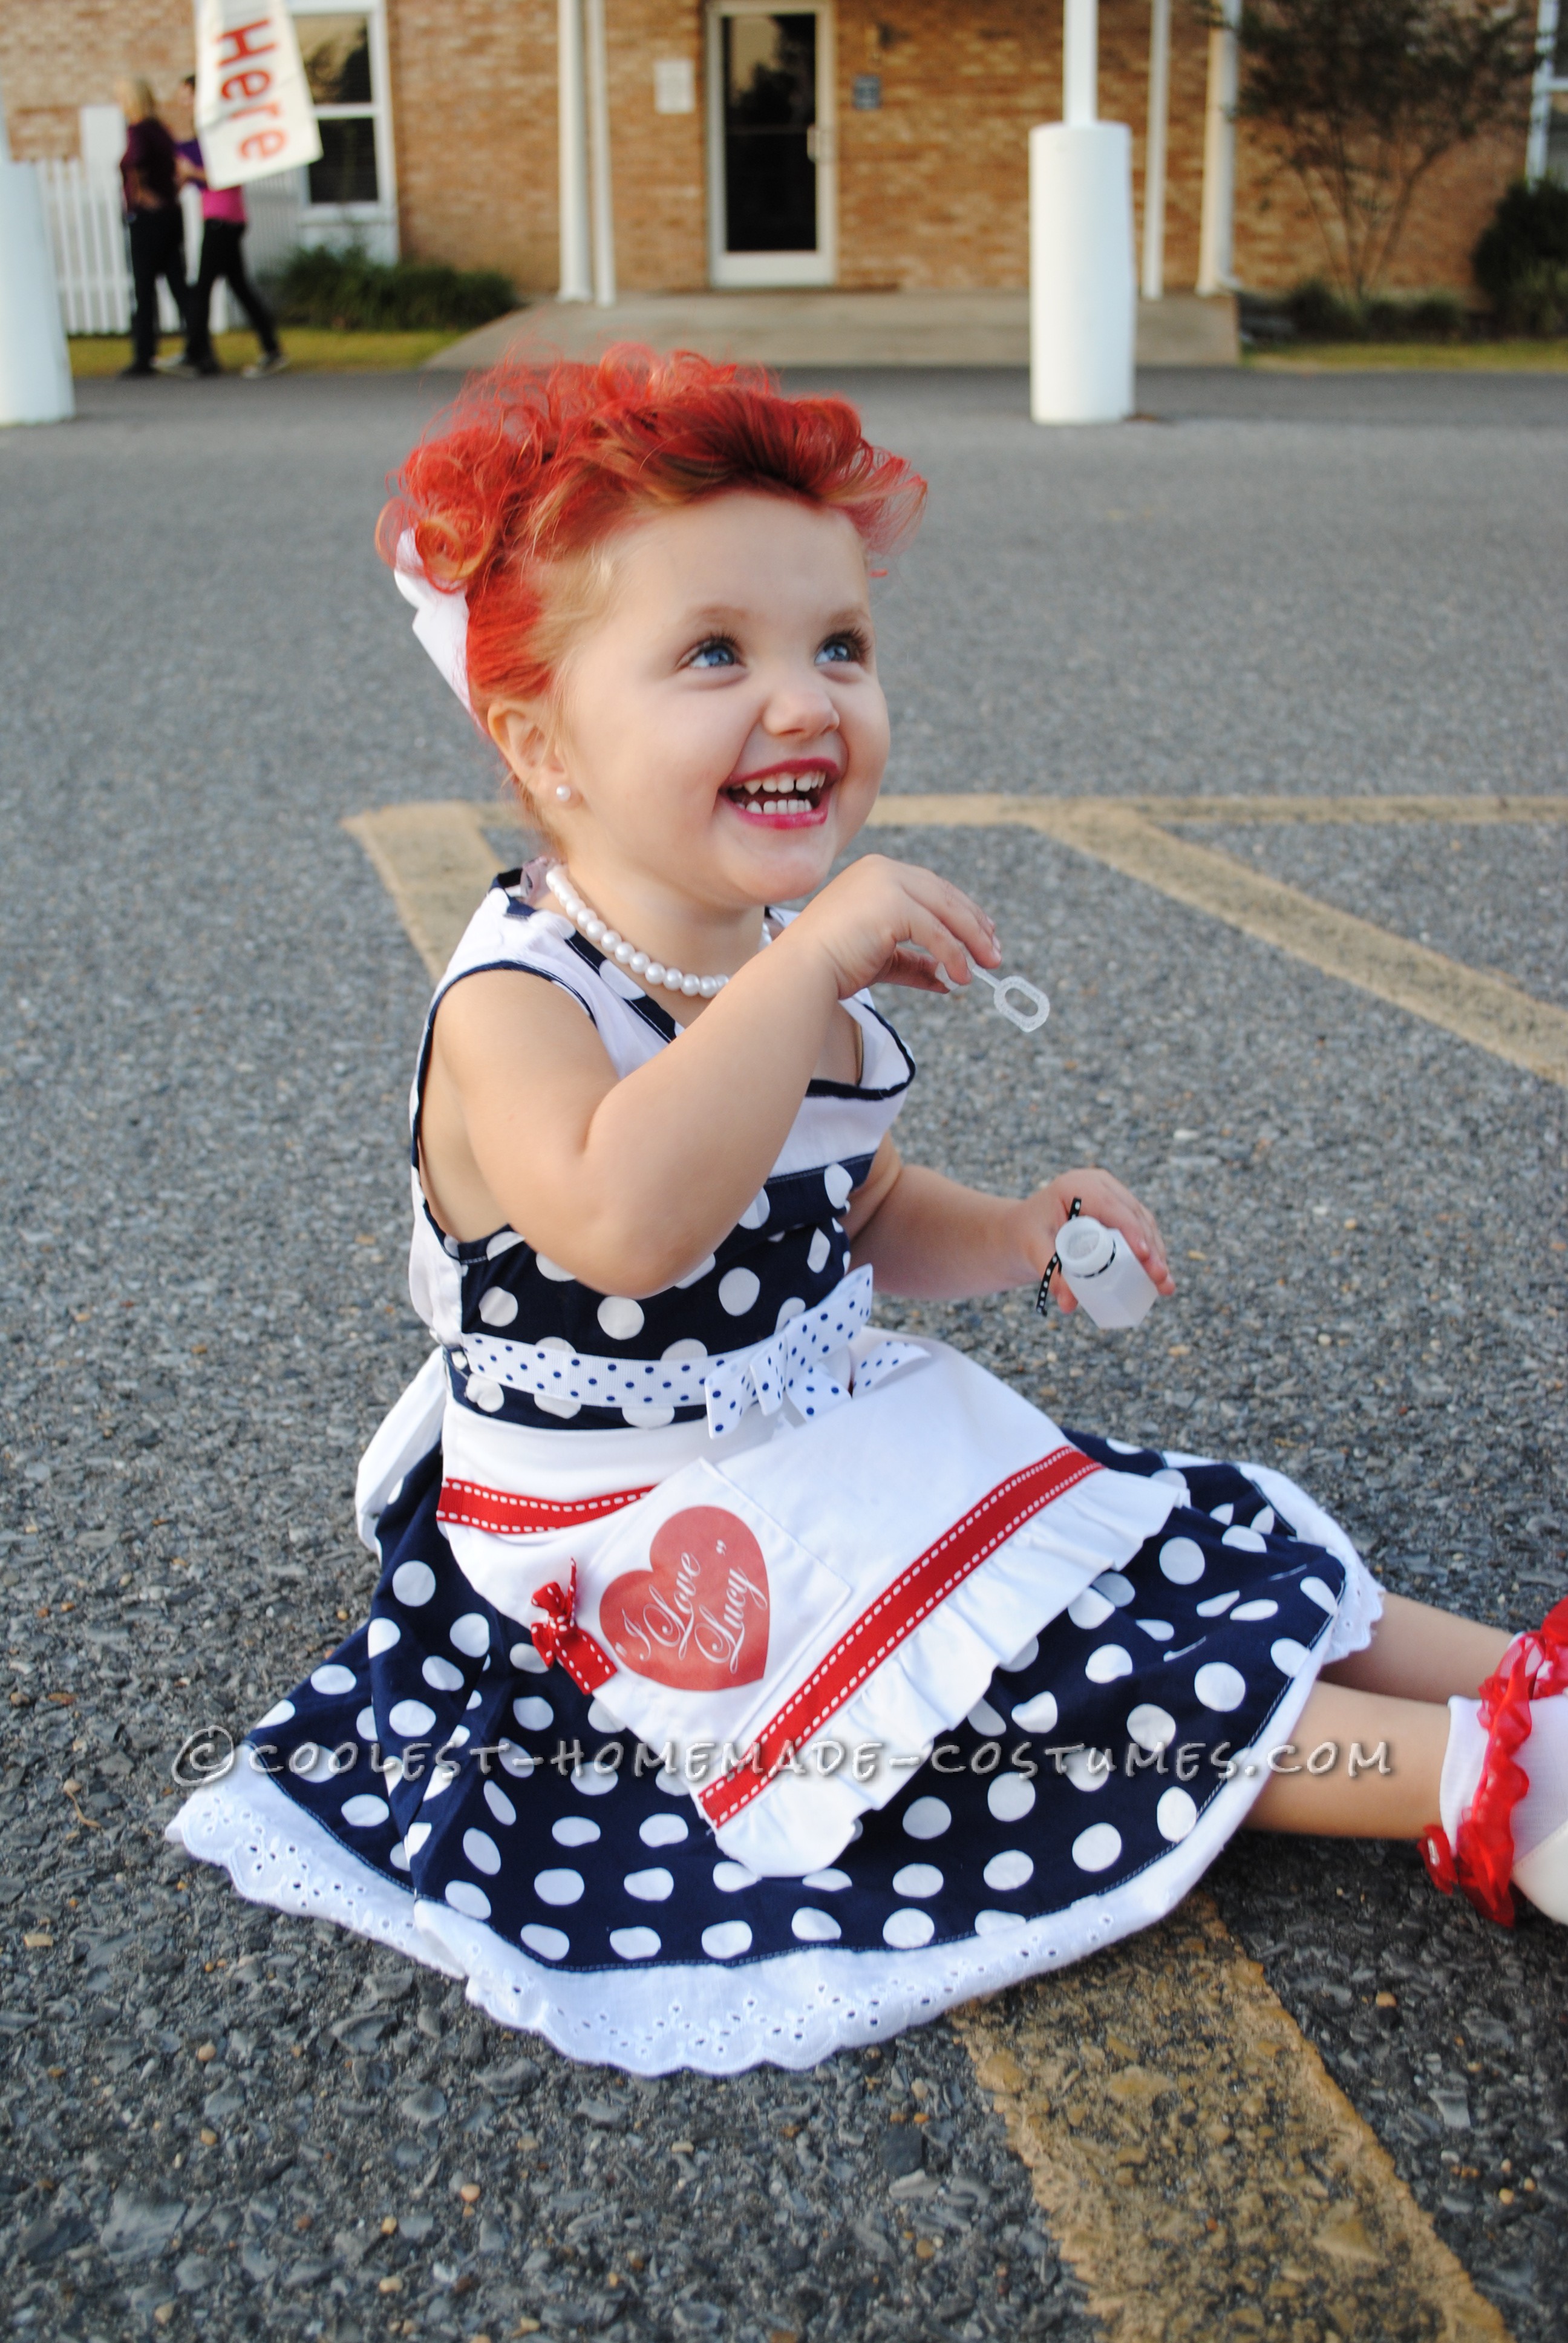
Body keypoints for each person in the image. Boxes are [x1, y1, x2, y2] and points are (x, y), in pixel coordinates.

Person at [169, 352, 1568, 2076]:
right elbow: (625, 1223)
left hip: (818, 1434)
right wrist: (819, 957)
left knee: (1148, 1541)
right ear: (541, 746)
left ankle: (1526, 1674)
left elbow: (858, 1205)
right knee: (1028, 1704)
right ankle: (1479, 1781)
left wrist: (1018, 1228)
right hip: (627, 1525)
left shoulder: (760, 956)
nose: (806, 700)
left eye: (838, 645)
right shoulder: (518, 1002)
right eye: (713, 654)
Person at [168, 76, 287, 381]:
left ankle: (197, 355)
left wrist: (192, 171)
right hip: (225, 216)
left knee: (203, 287)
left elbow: (225, 173)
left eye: (187, 96)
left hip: (222, 218)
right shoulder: (206, 136)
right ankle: (271, 349)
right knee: (239, 286)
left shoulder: (220, 132)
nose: (184, 103)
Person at [115, 78, 190, 379]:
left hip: (149, 218)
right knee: (178, 283)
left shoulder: (138, 132)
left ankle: (144, 355)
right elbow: (174, 167)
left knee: (144, 288)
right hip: (171, 216)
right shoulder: (162, 130)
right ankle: (200, 346)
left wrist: (141, 197)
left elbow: (135, 165)